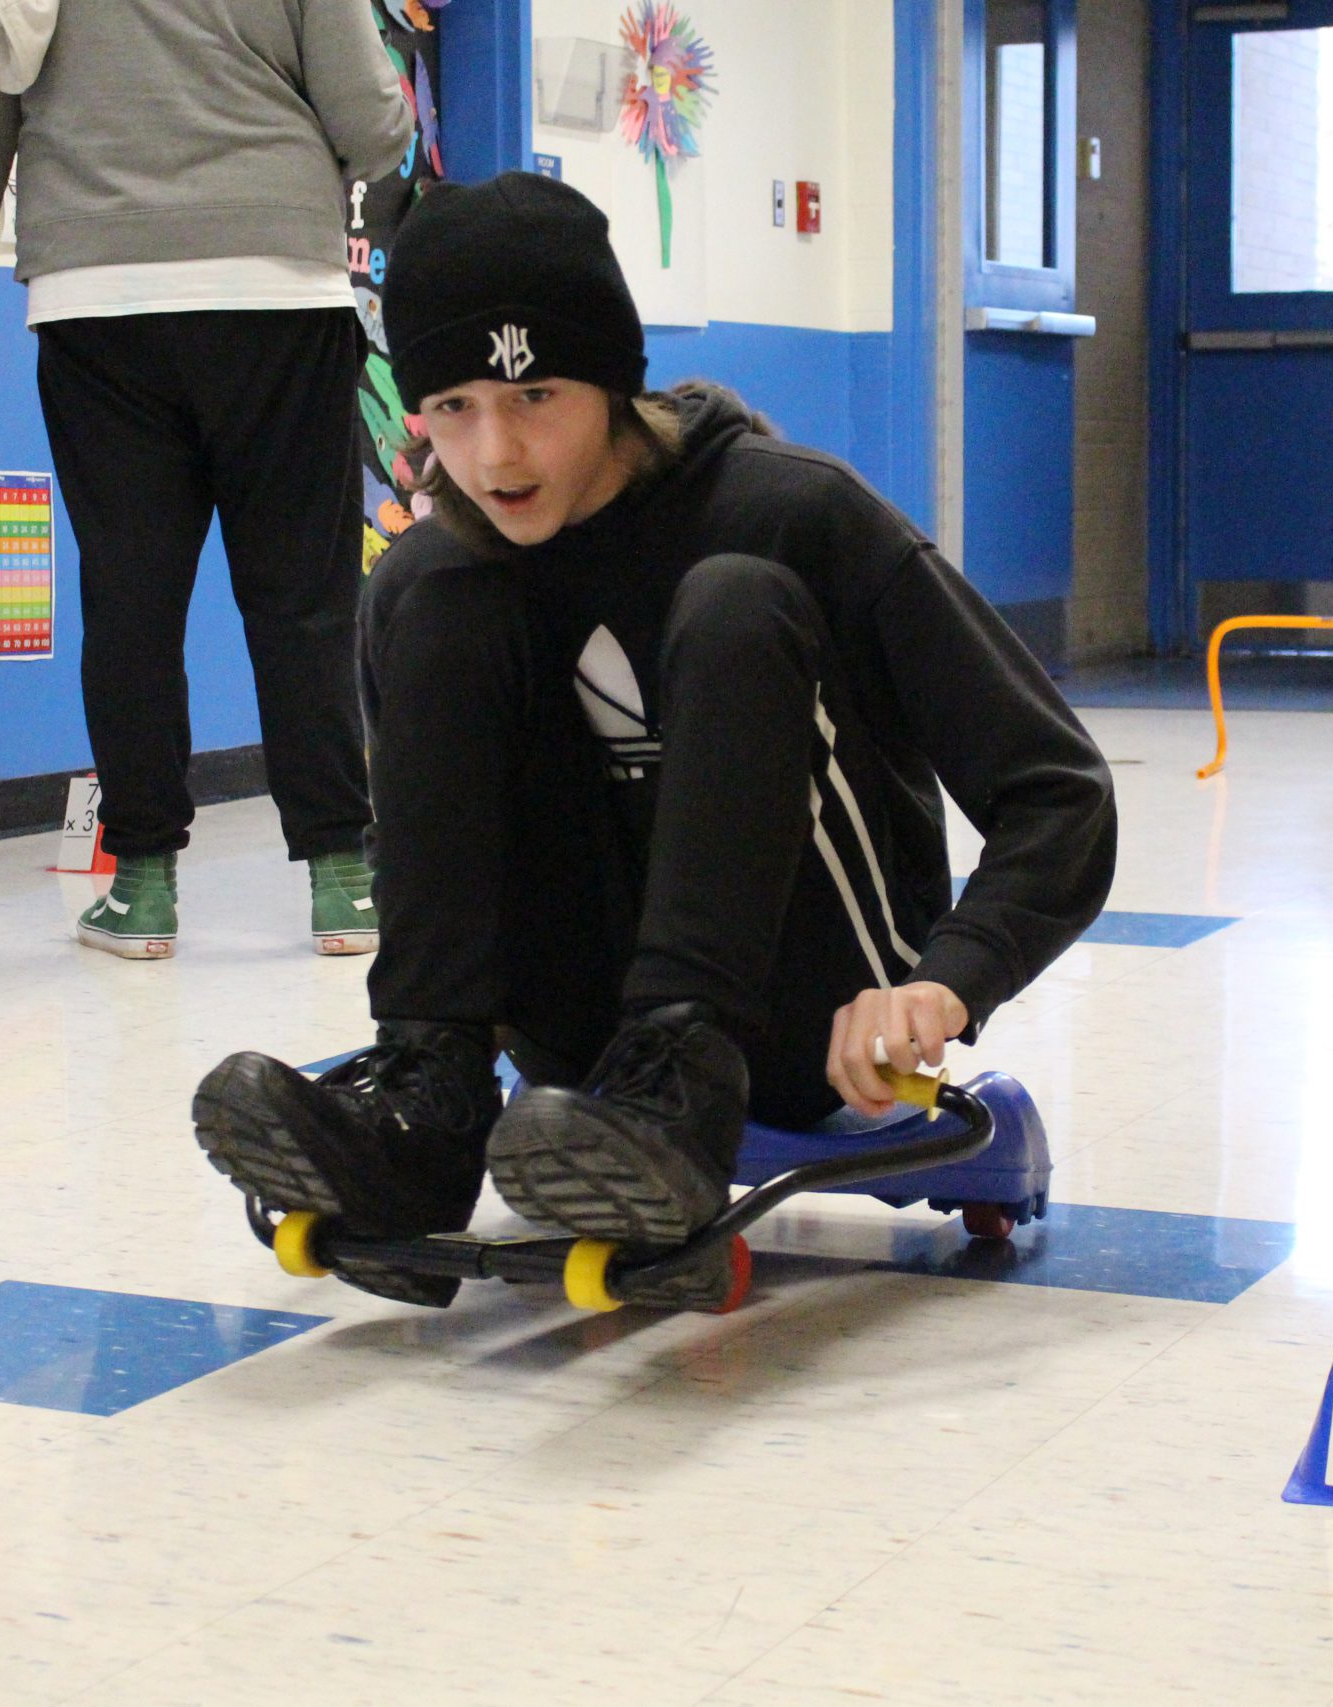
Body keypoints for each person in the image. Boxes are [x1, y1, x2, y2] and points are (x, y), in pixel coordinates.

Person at [191, 173, 1115, 1305]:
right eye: (454, 409)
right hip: (583, 1042)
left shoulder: (793, 513)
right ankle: (426, 1090)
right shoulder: (459, 572)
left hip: (805, 1010)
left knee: (735, 600)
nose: (495, 454)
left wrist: (944, 986)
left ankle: (683, 1072)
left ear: (615, 383)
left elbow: (1060, 792)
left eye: (536, 398)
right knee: (429, 579)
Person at [0, 0, 411, 960]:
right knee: (305, 601)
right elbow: (375, 122)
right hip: (277, 295)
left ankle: (140, 887)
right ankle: (343, 880)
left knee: (130, 601)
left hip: (97, 305)